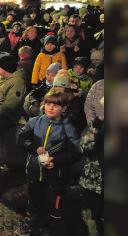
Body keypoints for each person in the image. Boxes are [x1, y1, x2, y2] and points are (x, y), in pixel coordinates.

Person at [17, 90, 81, 236]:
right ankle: (31, 227)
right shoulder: (34, 122)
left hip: (55, 177)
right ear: (43, 104)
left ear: (64, 108)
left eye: (56, 105)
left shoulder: (68, 128)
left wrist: (56, 161)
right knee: (34, 204)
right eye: (48, 104)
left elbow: (75, 152)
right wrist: (34, 147)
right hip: (34, 173)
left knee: (55, 207)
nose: (51, 108)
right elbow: (21, 139)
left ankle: (52, 230)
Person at [79, 81, 103, 236]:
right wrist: (95, 127)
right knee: (93, 216)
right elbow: (84, 147)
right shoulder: (96, 126)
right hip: (93, 182)